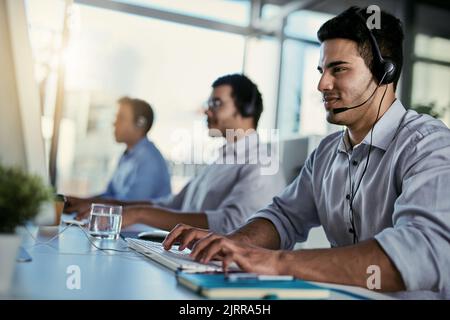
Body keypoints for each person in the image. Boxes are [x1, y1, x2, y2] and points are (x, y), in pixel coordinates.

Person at [163, 7, 450, 299]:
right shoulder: (326, 152)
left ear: (385, 72)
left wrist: (276, 262)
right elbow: (284, 217)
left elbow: (423, 250)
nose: (322, 84)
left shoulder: (427, 146)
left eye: (338, 69)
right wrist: (231, 244)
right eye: (321, 71)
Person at [69, 74, 285, 234]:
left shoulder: (261, 163)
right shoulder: (221, 159)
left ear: (246, 109)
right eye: (208, 104)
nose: (208, 111)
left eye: (216, 104)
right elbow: (171, 205)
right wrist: (108, 208)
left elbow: (232, 225)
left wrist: (139, 214)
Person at [65, 97, 171, 212]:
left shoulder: (149, 160)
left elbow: (132, 207)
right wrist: (82, 201)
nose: (114, 123)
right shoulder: (127, 155)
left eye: (121, 118)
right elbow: (110, 194)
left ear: (140, 123)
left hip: (138, 228)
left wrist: (91, 205)